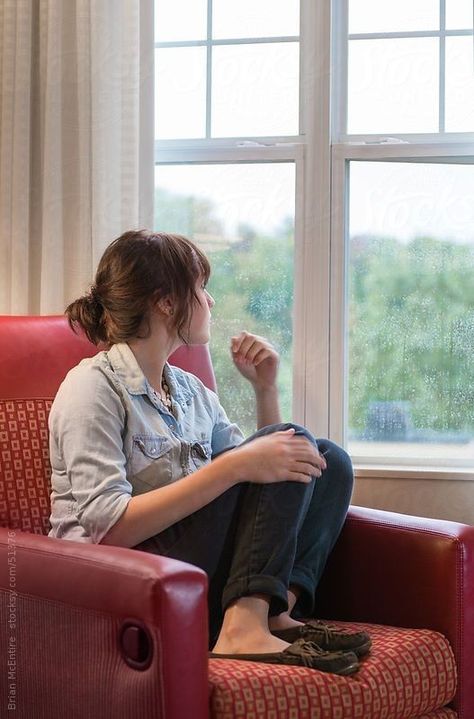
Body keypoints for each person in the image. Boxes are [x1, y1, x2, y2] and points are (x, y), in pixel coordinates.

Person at [48, 229, 370, 674]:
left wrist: (265, 389)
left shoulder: (191, 391)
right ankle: (243, 628)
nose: (210, 300)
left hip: (191, 573)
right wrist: (234, 466)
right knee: (281, 445)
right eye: (201, 287)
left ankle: (271, 613)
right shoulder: (92, 387)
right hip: (119, 578)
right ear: (166, 301)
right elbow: (109, 527)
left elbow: (264, 494)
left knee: (326, 459)